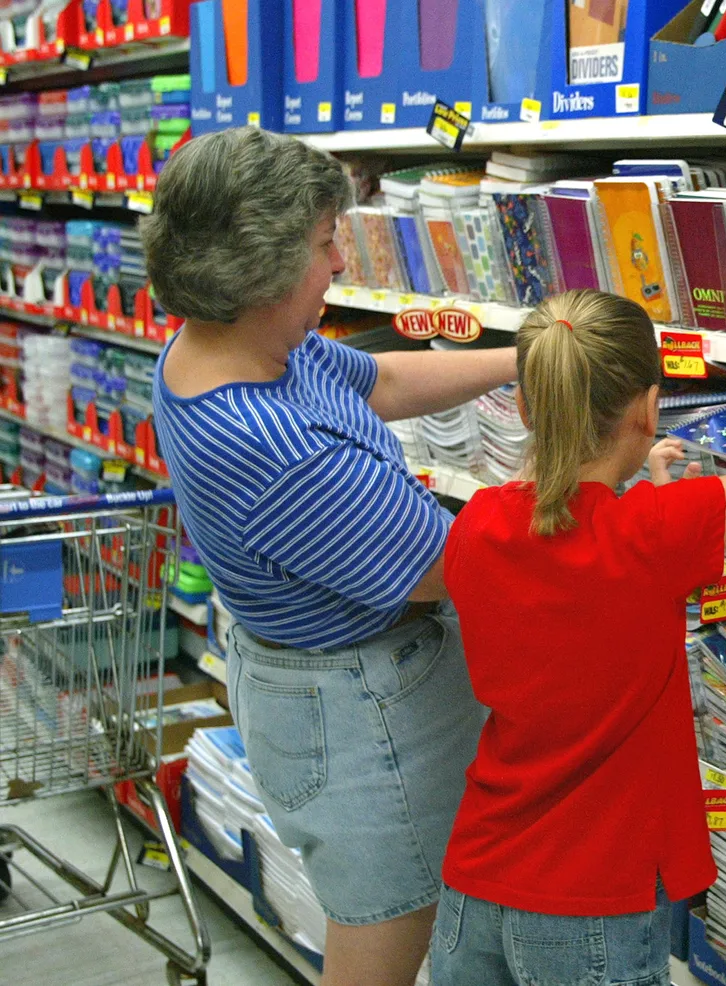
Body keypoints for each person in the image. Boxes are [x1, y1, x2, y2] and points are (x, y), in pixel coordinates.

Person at [144, 127, 516, 986]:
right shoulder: (270, 446)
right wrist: (606, 494)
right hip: (364, 715)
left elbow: (375, 384)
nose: (342, 263)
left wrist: (527, 359)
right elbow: (458, 567)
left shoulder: (230, 347)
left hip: (339, 686)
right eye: (324, 245)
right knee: (387, 941)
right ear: (262, 270)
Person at [430, 289, 726, 986]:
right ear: (650, 411)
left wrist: (648, 486)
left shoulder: (474, 526)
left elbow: (564, 555)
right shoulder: (656, 536)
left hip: (478, 878)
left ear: (527, 408)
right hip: (594, 895)